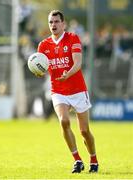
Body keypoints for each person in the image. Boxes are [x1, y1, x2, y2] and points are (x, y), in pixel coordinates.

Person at [37, 10, 99, 173]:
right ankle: (77, 160)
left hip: (78, 90)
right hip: (58, 90)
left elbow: (78, 63)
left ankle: (93, 159)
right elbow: (41, 67)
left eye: (57, 22)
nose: (53, 25)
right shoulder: (43, 45)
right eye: (51, 22)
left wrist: (68, 74)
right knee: (64, 121)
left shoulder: (73, 38)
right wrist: (38, 71)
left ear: (63, 24)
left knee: (84, 131)